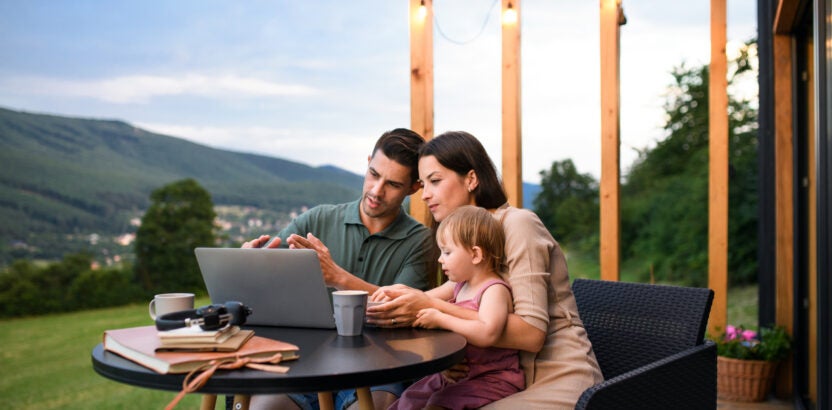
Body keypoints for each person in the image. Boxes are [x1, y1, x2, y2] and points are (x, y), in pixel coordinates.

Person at [367, 131, 604, 409]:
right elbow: (443, 302)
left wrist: (431, 306)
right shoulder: (462, 239)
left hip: (555, 376)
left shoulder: (518, 224)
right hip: (491, 379)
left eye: (435, 181)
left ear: (470, 179)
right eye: (423, 184)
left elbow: (531, 334)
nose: (425, 195)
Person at [245, 128, 434, 410]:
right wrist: (250, 263)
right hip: (306, 361)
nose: (376, 190)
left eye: (393, 184)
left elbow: (402, 308)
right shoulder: (318, 218)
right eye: (373, 174)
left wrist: (337, 277)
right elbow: (267, 270)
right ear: (368, 161)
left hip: (380, 366)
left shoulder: (420, 241)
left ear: (414, 188)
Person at [387, 205, 524, 410]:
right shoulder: (461, 286)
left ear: (476, 255)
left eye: (447, 252)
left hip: (490, 378)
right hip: (459, 373)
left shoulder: (494, 290)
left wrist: (441, 317)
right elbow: (427, 304)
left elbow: (488, 334)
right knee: (408, 400)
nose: (440, 258)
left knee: (436, 406)